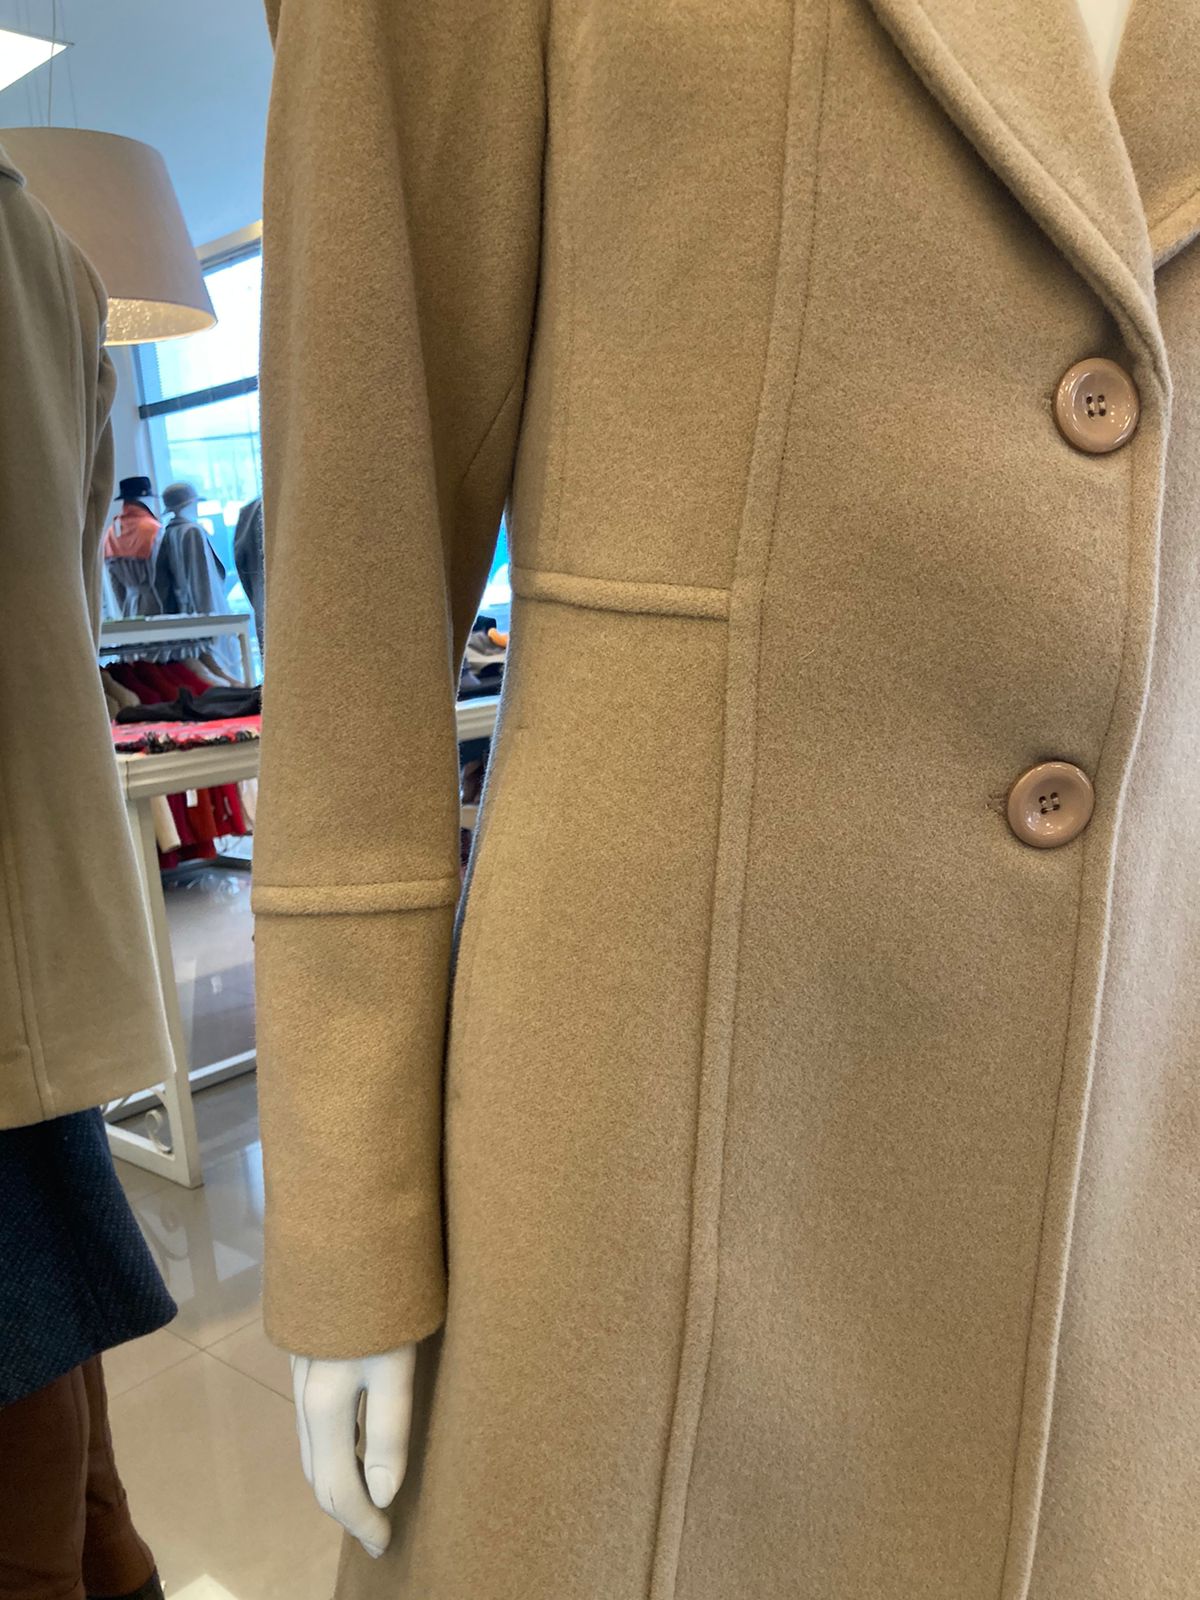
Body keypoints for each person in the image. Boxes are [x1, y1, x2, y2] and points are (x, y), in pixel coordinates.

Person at [155, 482, 243, 677]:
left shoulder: (171, 532)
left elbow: (162, 581)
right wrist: (211, 620)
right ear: (189, 504)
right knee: (225, 666)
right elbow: (202, 581)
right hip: (208, 612)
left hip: (190, 613)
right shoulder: (191, 531)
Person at [101, 477, 162, 619]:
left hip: (129, 608)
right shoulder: (153, 529)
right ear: (145, 499)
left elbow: (115, 584)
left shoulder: (111, 532)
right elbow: (161, 578)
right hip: (157, 607)